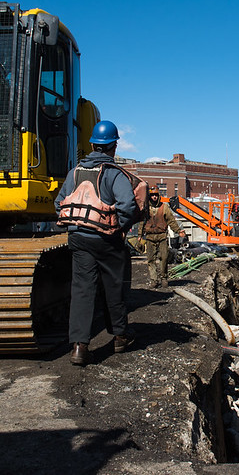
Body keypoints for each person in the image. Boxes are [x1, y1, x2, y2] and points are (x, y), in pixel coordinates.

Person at [55, 120, 138, 366]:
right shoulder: (115, 174)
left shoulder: (75, 172)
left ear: (92, 144)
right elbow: (128, 206)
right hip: (107, 240)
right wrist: (119, 228)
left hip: (78, 238)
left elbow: (59, 203)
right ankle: (120, 337)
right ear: (113, 147)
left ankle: (79, 347)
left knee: (82, 289)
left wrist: (76, 225)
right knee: (114, 286)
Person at [138, 186, 186, 288]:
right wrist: (140, 236)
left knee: (164, 258)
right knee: (151, 259)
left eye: (156, 195)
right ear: (149, 196)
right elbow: (142, 222)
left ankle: (164, 278)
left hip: (162, 236)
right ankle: (154, 280)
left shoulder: (164, 207)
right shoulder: (146, 208)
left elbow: (171, 221)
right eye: (152, 195)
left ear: (158, 196)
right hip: (150, 237)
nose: (154, 197)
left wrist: (178, 231)